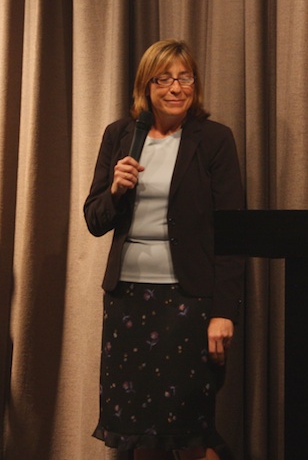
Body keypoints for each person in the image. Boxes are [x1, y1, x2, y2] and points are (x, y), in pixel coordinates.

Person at [84, 39, 244, 460]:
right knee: (140, 435)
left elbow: (232, 234)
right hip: (128, 302)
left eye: (185, 77)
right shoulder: (121, 135)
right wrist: (116, 191)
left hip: (188, 303)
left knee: (191, 433)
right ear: (146, 86)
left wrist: (224, 311)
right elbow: (94, 220)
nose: (176, 88)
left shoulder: (213, 139)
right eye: (164, 79)